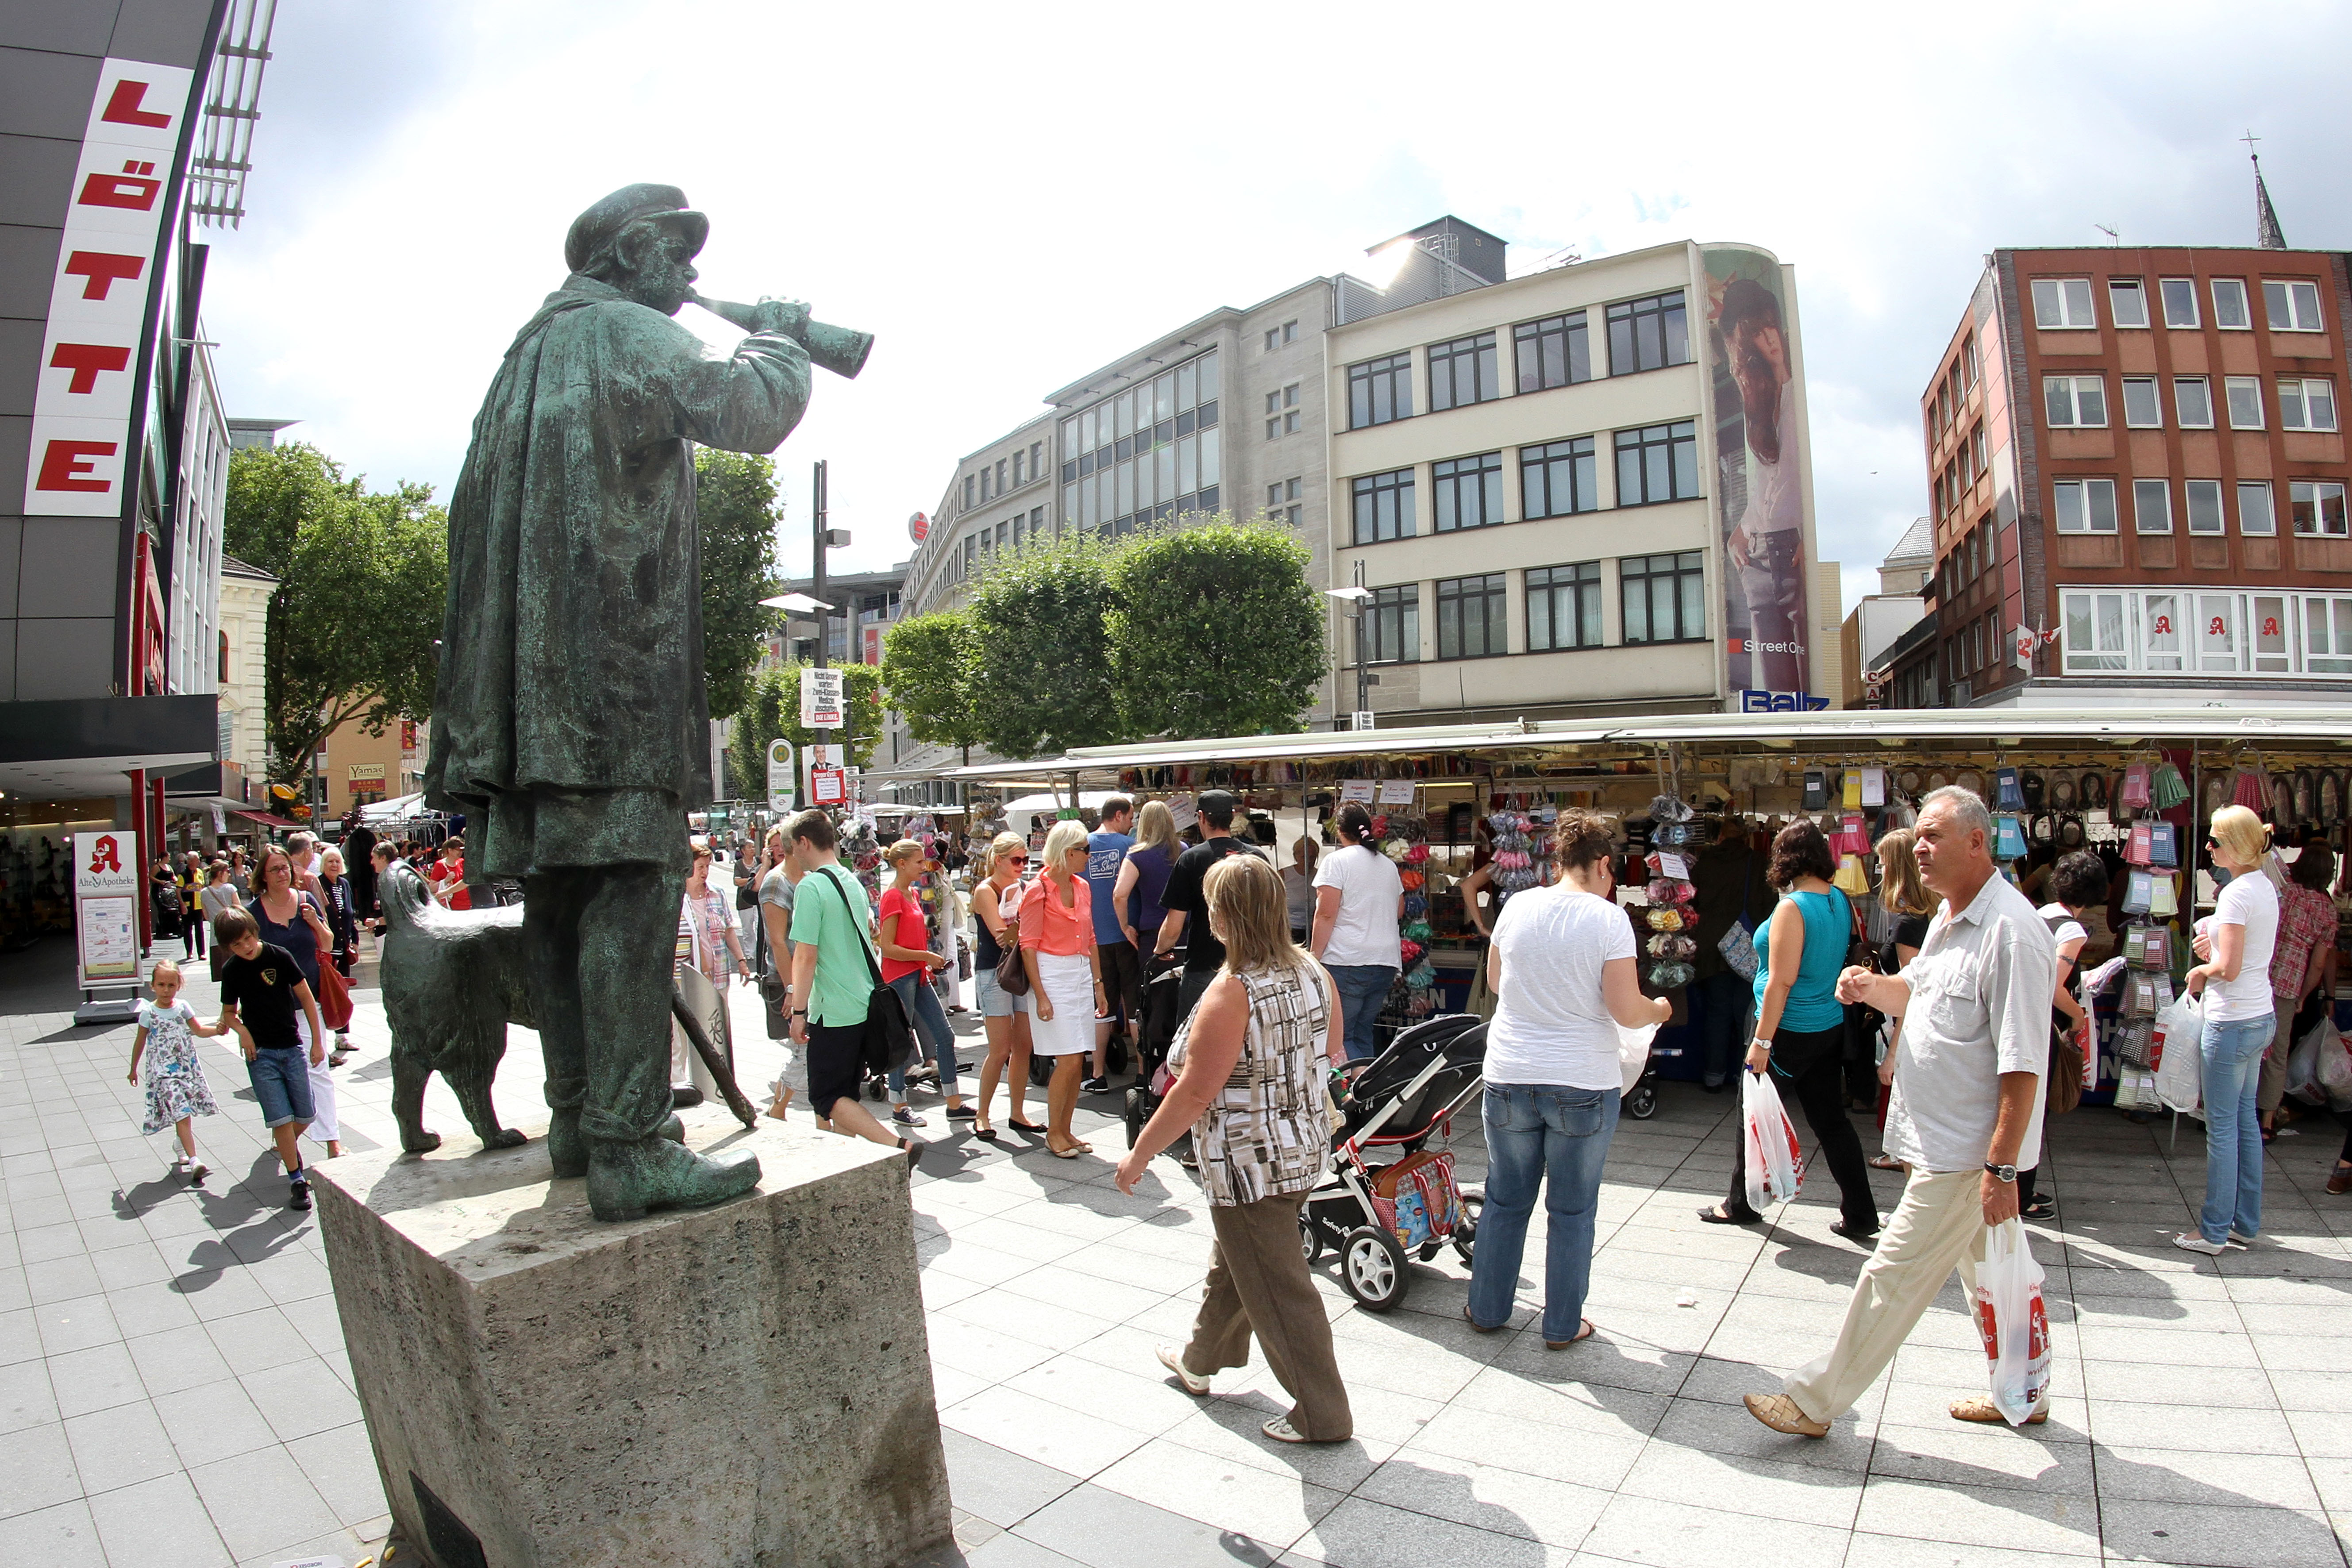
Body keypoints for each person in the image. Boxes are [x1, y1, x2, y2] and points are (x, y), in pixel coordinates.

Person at [1745, 786, 2055, 1438]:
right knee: (1990, 1275)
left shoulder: (2011, 929)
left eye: (1933, 834)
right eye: (1917, 834)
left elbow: (2022, 1061)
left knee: (1890, 1275)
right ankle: (2022, 1391)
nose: (1919, 845)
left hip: (1966, 1152)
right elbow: (1915, 994)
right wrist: (1871, 987)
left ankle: (1813, 1399)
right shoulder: (1948, 915)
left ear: (1977, 841)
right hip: (1940, 1140)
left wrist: (2000, 1166)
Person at [1115, 853, 1353, 1445]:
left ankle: (1322, 1413)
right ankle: (1199, 1361)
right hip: (1300, 1148)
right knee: (1240, 1265)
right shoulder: (1313, 971)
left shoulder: (1232, 990)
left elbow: (1194, 1090)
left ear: (1220, 915)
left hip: (1246, 1162)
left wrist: (1140, 1152)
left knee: (1279, 1290)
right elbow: (1333, 1049)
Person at [1466, 810, 1672, 1348]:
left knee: (1505, 1198)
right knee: (1572, 1208)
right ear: (1604, 864)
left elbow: (1494, 980)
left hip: (1509, 1072)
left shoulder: (1516, 905)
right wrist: (1660, 1010)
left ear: (1557, 862)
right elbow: (1625, 1010)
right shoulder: (1608, 920)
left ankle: (1486, 1309)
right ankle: (1560, 1325)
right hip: (1581, 1080)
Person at [1699, 820, 1880, 1242]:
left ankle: (1739, 1204)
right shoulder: (1838, 899)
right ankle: (1861, 1214)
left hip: (1785, 1030)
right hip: (1826, 1024)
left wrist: (1761, 1042)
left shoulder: (1792, 907)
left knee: (1754, 1115)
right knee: (1832, 1123)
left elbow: (1781, 981)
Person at [785, 810, 923, 1169]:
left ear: (804, 842)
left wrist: (798, 1012)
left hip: (833, 1008)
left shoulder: (811, 886)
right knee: (846, 1093)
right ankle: (844, 1166)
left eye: (792, 845)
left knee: (827, 1096)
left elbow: (805, 956)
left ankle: (898, 1146)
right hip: (864, 1001)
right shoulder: (851, 881)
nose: (792, 854)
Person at [2178, 805, 2280, 1254]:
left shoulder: (2235, 893)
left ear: (2236, 846)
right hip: (2258, 1016)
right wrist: (2213, 953)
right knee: (2243, 1122)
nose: (2207, 846)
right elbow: (2239, 957)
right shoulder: (2264, 886)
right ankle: (2243, 1222)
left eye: (2215, 840)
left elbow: (2230, 967)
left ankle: (2214, 1229)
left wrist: (2200, 973)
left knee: (2221, 1129)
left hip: (2232, 1019)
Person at [1713, 273, 1809, 696]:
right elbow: (1767, 485)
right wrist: (1741, 531)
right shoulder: (1757, 399)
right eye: (1754, 331)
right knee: (1777, 700)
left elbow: (1795, 472)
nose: (1767, 337)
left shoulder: (1790, 392)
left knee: (1806, 696)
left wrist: (1809, 535)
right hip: (1758, 559)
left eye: (1768, 326)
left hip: (1792, 552)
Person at [213, 905, 331, 1211]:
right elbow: (228, 1013)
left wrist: (317, 1042)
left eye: (248, 939)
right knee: (281, 1118)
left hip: (291, 1046)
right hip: (261, 1054)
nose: (245, 948)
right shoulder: (232, 970)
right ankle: (296, 1180)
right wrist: (242, 1031)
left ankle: (285, 1144)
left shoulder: (279, 956)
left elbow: (306, 995)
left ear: (255, 932)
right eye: (237, 945)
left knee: (305, 1114)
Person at [2023, 850, 2109, 1220]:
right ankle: (2021, 1192)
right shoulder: (2071, 930)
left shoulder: (2039, 915)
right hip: (2042, 1024)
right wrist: (2077, 1017)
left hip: (2021, 1018)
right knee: (2033, 1110)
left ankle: (2018, 1183)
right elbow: (2053, 984)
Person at [248, 845, 343, 1159]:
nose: (282, 874)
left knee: (319, 1069)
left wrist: (316, 923)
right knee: (288, 1073)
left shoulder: (306, 901)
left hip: (309, 1000)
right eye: (275, 869)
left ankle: (332, 1141)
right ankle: (287, 1135)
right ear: (263, 875)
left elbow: (328, 943)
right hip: (273, 1010)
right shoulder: (255, 912)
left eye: (286, 868)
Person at [1024, 819, 1109, 1159]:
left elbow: (1091, 939)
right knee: (1070, 1059)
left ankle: (1065, 1128)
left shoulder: (1083, 887)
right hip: (1051, 973)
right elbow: (1028, 946)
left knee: (1078, 1058)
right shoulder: (1037, 889)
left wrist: (1099, 985)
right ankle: (1054, 1131)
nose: (1089, 856)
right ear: (1069, 851)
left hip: (1078, 973)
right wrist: (1041, 994)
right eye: (1085, 850)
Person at [878, 839, 970, 1125]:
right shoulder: (893, 896)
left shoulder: (911, 894)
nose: (924, 866)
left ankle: (953, 1102)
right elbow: (887, 946)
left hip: (917, 976)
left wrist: (926, 964)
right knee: (901, 1041)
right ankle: (898, 1105)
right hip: (899, 978)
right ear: (902, 863)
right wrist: (926, 956)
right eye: (918, 862)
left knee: (944, 1035)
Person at [1154, 790, 1265, 1021]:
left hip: (1204, 966)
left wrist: (1161, 949)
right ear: (1233, 817)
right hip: (1253, 964)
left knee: (1192, 1039)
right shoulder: (1256, 857)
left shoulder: (1192, 859)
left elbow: (1174, 925)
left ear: (1202, 817)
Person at [1309, 801, 1404, 1064]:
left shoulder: (1336, 862)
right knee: (1363, 1032)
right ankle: (1371, 1097)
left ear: (1339, 830)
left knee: (1342, 1035)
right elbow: (1399, 910)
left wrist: (1314, 958)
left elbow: (1326, 914)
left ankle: (1357, 1095)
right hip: (1384, 961)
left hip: (1347, 960)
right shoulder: (1388, 865)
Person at [1867, 828, 1938, 1170]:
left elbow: (1915, 993)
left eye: (1882, 863)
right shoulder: (1930, 916)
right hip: (1919, 1031)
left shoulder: (1910, 923)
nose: (1878, 872)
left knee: (1911, 1127)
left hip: (1911, 1033)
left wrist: (1893, 1054)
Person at [1690, 815, 1774, 1091]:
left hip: (1713, 947)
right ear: (1746, 836)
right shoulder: (1758, 861)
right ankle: (1743, 1076)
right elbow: (1769, 904)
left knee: (1717, 1012)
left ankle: (1713, 1075)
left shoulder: (1705, 862)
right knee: (1745, 1014)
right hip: (1747, 946)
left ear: (1721, 836)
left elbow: (1695, 901)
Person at [2265, 840, 2338, 1142]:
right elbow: (2318, 965)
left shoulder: (2283, 892)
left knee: (2244, 1046)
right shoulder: (2327, 911)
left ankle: (2229, 1111)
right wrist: (2303, 996)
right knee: (2276, 1053)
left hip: (2258, 974)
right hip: (2288, 985)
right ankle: (2266, 1121)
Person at [970, 833, 1040, 1140]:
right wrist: (1027, 922)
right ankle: (982, 1114)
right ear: (998, 860)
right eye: (1016, 860)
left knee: (1024, 1045)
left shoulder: (1024, 888)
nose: (1022, 866)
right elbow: (1001, 935)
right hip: (992, 970)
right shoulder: (986, 890)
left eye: (1025, 860)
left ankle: (1017, 1111)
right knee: (999, 1049)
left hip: (1020, 970)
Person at [128, 959, 224, 1182]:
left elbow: (198, 1031)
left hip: (185, 1069)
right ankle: (194, 1160)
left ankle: (180, 1144)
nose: (166, 990)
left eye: (171, 985)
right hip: (163, 1073)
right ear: (152, 986)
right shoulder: (148, 1013)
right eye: (161, 985)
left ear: (179, 986)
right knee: (182, 1112)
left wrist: (218, 1031)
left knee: (184, 1112)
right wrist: (133, 1069)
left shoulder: (182, 1008)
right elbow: (140, 1042)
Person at [1083, 797, 1138, 1094]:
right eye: (1130, 817)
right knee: (1134, 1006)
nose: (1132, 823)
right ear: (1118, 815)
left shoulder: (1083, 845)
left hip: (1094, 938)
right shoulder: (1130, 846)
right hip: (1127, 935)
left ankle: (1097, 1072)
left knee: (1101, 1006)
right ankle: (1142, 1074)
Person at [757, 825, 801, 1119]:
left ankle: (824, 1118)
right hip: (792, 977)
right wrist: (790, 988)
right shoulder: (775, 882)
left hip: (811, 975)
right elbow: (776, 941)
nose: (779, 848)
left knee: (809, 1052)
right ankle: (778, 1108)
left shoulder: (809, 878)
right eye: (774, 845)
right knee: (804, 1052)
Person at [1113, 798, 1181, 980]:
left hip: (1152, 933)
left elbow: (1120, 895)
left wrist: (1125, 927)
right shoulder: (1183, 850)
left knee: (1155, 993)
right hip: (1184, 931)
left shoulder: (1136, 856)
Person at [681, 841, 748, 989]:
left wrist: (741, 961)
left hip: (720, 974)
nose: (705, 872)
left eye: (707, 866)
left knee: (721, 1011)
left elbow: (729, 930)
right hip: (690, 978)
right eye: (700, 867)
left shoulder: (717, 893)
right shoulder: (679, 898)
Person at [316, 848, 361, 1064]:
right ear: (323, 864)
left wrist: (355, 941)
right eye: (330, 861)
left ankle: (342, 1036)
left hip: (343, 947)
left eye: (337, 861)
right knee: (327, 993)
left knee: (343, 993)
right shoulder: (319, 884)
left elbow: (350, 915)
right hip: (326, 950)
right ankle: (322, 1039)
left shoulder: (344, 885)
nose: (334, 865)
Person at [198, 861, 242, 983]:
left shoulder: (204, 893)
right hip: (234, 935)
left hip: (216, 938)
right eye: (227, 872)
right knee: (238, 974)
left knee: (223, 977)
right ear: (220, 874)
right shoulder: (230, 889)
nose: (229, 874)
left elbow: (206, 916)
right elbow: (239, 908)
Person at [1281, 837, 1319, 944]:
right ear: (1295, 857)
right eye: (1304, 857)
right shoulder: (1283, 875)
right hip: (1289, 930)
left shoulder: (1320, 876)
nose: (1309, 861)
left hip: (1313, 930)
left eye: (1313, 857)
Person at [429, 835, 472, 911]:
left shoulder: (462, 862)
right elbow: (432, 888)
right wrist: (445, 880)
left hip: (469, 904)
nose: (460, 853)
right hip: (451, 907)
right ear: (450, 850)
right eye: (458, 850)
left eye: (462, 850)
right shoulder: (440, 865)